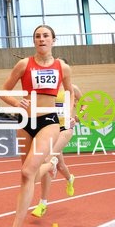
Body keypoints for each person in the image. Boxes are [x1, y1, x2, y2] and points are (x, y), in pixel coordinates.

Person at [0, 24, 72, 227]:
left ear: (53, 40)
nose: (42, 39)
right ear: (34, 41)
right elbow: (3, 92)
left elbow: (68, 94)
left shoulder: (63, 67)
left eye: (46, 35)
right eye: (38, 36)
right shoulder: (23, 64)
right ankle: (48, 166)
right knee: (26, 177)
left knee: (28, 170)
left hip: (49, 120)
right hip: (25, 122)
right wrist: (15, 102)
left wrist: (69, 116)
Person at [31, 83, 84, 217]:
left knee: (47, 159)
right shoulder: (47, 88)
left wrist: (77, 118)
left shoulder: (72, 88)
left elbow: (85, 105)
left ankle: (43, 204)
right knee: (60, 165)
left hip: (65, 129)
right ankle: (70, 178)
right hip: (50, 128)